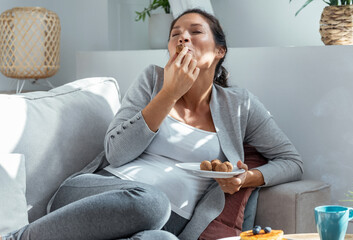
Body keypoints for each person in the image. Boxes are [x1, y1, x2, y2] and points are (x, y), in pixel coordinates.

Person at [1, 8, 303, 240]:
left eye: (195, 32)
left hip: (169, 220)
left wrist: (244, 178)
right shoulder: (152, 80)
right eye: (175, 34)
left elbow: (291, 161)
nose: (183, 37)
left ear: (219, 51)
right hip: (101, 194)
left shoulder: (239, 105)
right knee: (151, 202)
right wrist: (170, 93)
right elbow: (116, 153)